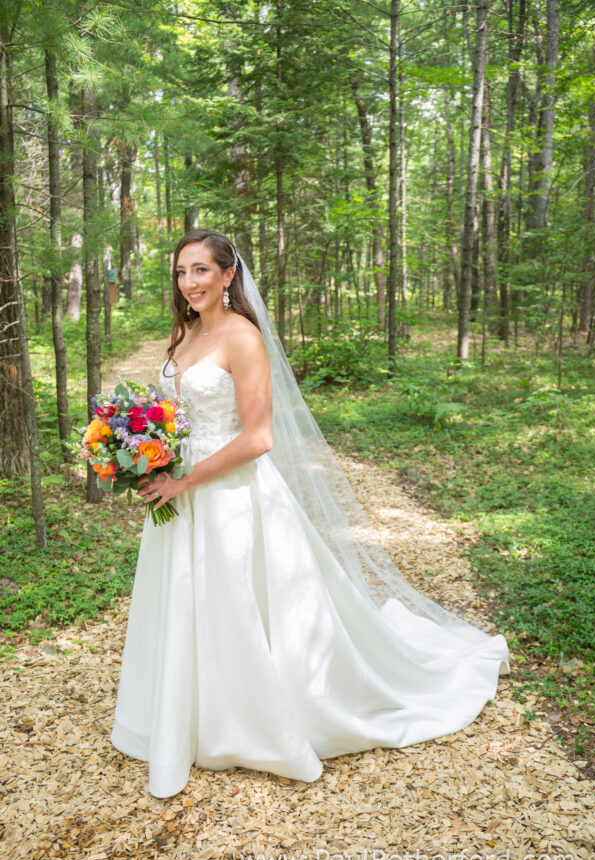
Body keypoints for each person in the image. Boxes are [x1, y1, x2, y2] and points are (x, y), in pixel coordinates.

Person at [110, 228, 510, 799]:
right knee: (185, 601)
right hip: (177, 489)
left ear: (228, 275)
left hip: (229, 495)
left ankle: (251, 721)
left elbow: (259, 437)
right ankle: (187, 715)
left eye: (201, 270)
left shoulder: (242, 338)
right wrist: (147, 455)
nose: (189, 282)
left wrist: (186, 480)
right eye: (181, 272)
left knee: (238, 603)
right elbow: (174, 417)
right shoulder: (186, 334)